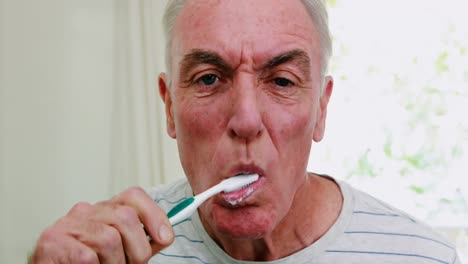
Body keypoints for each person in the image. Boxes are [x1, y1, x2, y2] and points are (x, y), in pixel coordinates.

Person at [30, 0, 462, 263]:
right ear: (169, 107)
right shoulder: (114, 254)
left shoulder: (422, 257)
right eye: (208, 79)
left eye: (281, 81)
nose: (247, 120)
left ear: (321, 110)